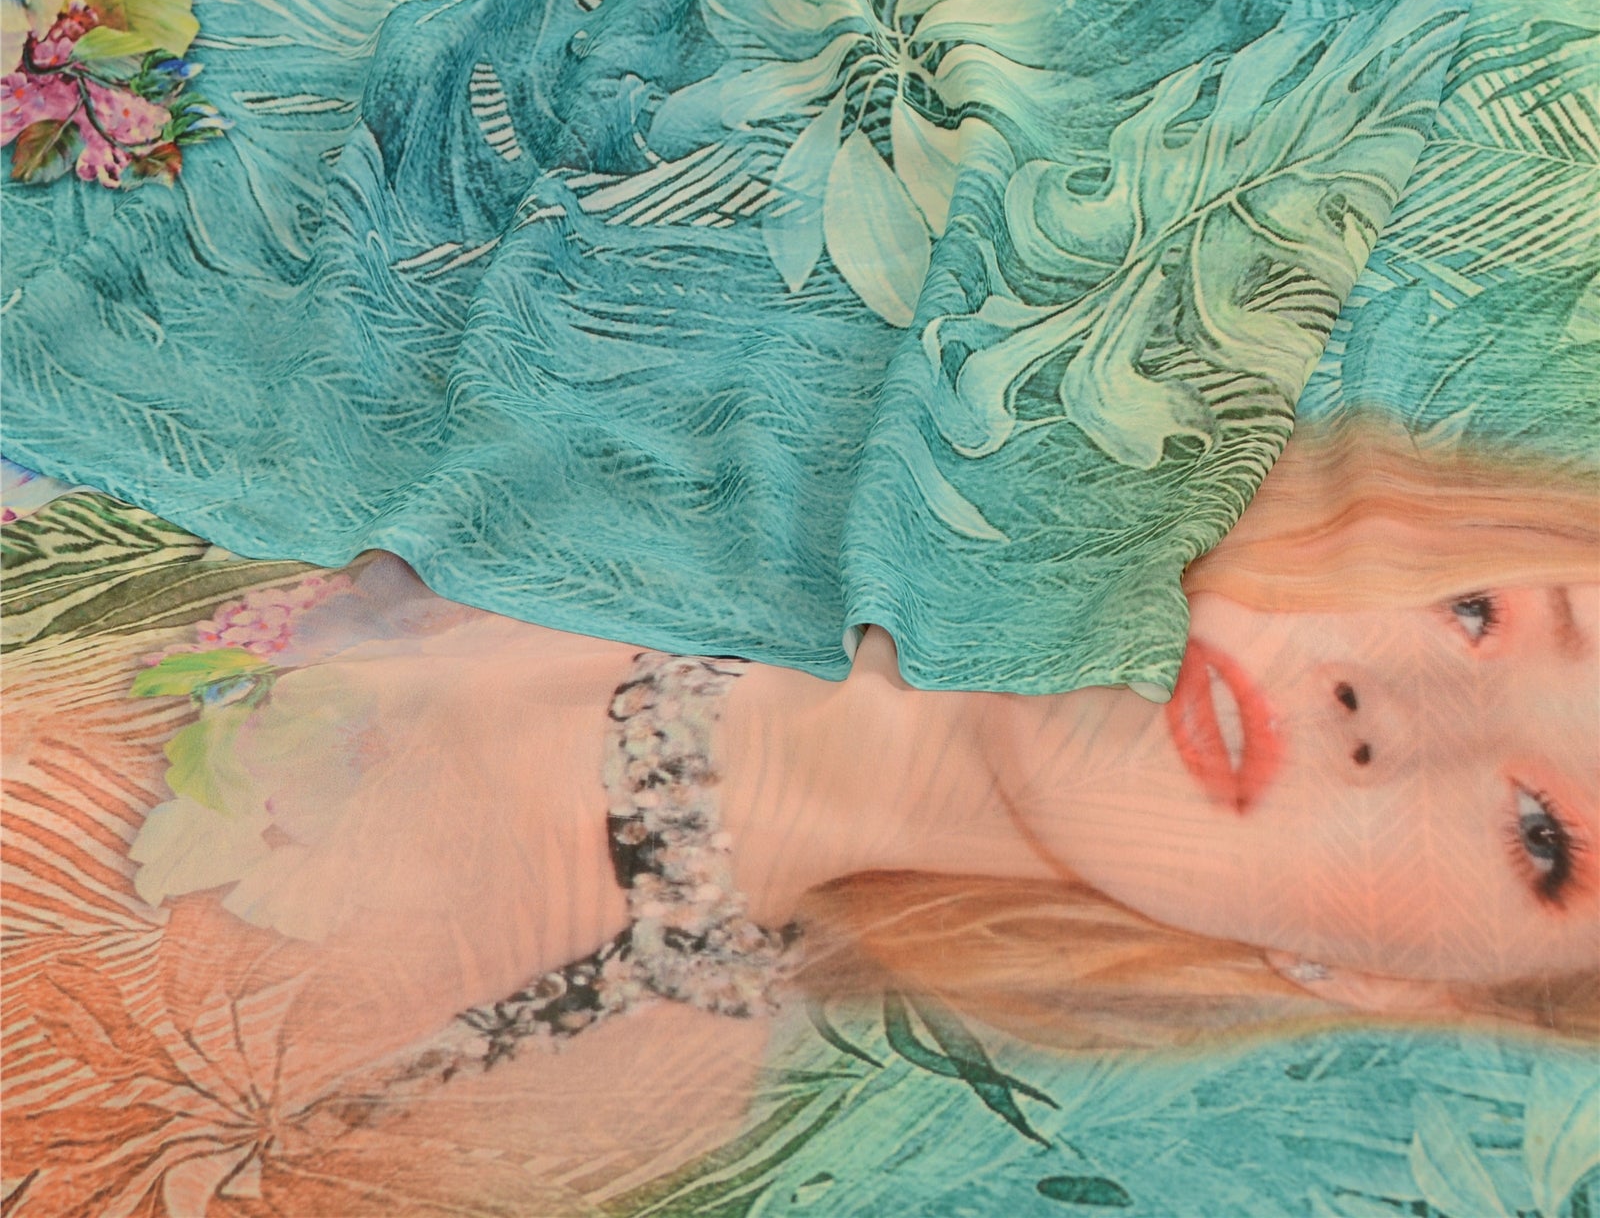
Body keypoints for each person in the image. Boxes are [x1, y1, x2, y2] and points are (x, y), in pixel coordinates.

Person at [4, 420, 1596, 1211]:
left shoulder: (599, 1073)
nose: (1384, 713)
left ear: (1393, 983)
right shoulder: (706, 373)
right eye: (1480, 614)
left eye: (1542, 838)